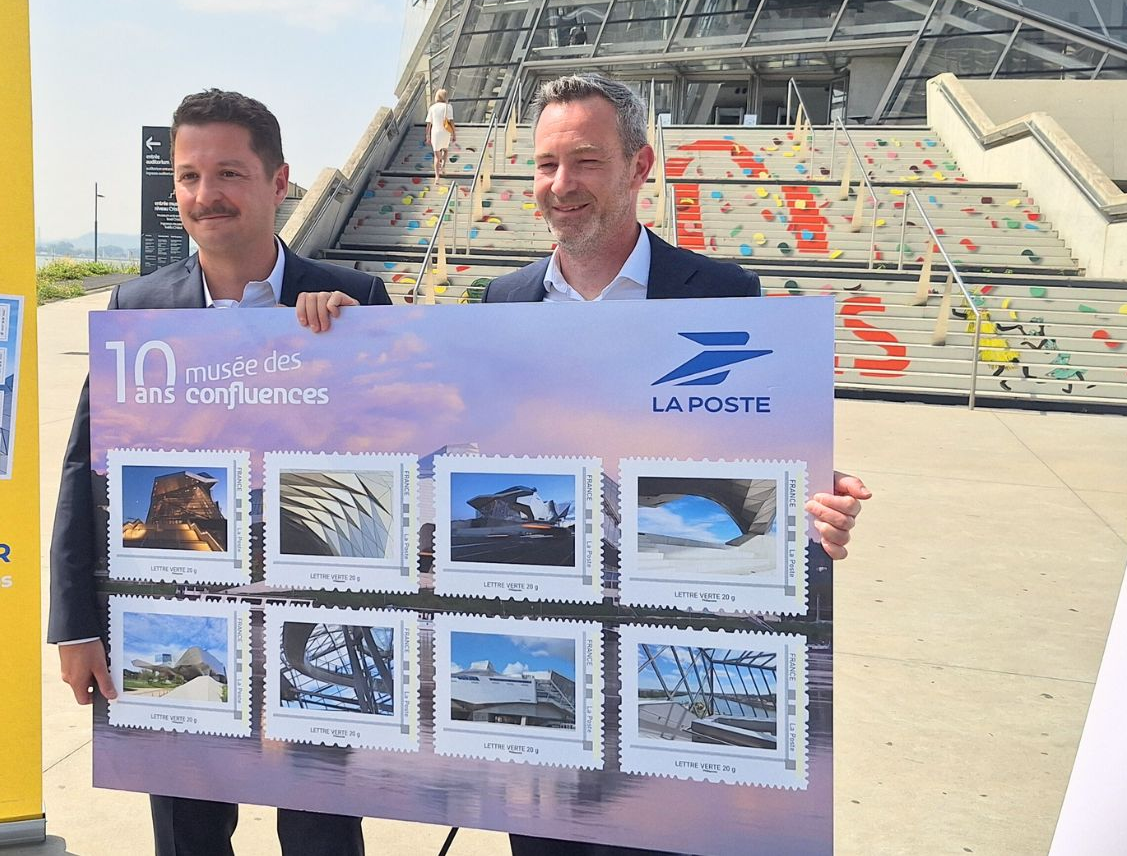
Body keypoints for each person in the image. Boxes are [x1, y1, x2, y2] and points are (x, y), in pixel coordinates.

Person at [300, 73, 871, 855]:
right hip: (545, 670)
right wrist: (333, 325)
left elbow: (759, 463)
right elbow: (432, 428)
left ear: (640, 169)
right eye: (544, 165)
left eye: (585, 163)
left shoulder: (725, 296)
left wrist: (813, 510)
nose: (560, 186)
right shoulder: (502, 303)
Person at [48, 88, 390, 856]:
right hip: (177, 609)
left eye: (230, 174)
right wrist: (75, 625)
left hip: (310, 610)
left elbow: (395, 457)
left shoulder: (356, 301)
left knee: (322, 831)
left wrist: (355, 348)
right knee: (188, 832)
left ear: (279, 182)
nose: (207, 196)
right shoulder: (137, 308)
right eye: (189, 177)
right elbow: (85, 475)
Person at [426, 88, 456, 182]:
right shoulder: (448, 106)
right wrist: (454, 133)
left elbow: (429, 123)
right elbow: (451, 121)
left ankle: (437, 177)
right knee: (445, 150)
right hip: (445, 132)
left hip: (435, 132)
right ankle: (443, 166)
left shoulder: (432, 108)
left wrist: (427, 136)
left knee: (436, 156)